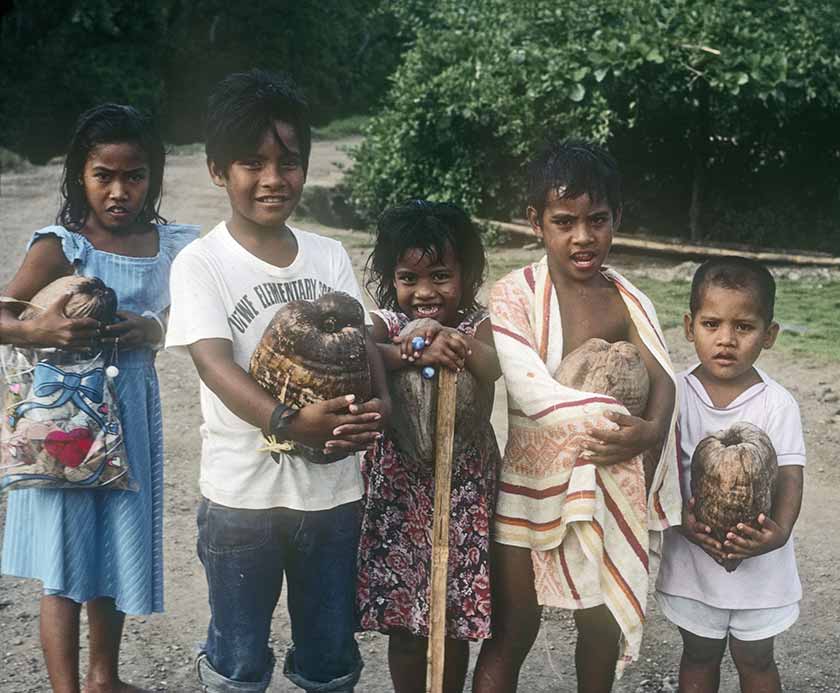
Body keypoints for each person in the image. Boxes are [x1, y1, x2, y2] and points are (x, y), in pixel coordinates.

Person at [165, 69, 387, 693]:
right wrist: (288, 423)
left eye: (288, 162)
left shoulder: (328, 256)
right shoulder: (202, 262)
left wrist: (381, 412)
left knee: (329, 657)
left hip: (332, 499)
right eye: (250, 162)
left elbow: (366, 350)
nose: (272, 178)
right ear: (217, 171)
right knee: (238, 661)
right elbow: (213, 363)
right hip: (242, 501)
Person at [0, 103, 198, 693]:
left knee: (113, 547)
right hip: (64, 420)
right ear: (78, 178)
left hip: (131, 417)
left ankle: (102, 678)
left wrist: (154, 330)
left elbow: (187, 319)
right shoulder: (61, 246)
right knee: (64, 562)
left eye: (133, 176)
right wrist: (37, 331)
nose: (118, 191)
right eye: (102, 176)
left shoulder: (170, 246)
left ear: (152, 177)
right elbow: (5, 312)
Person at [474, 141, 681, 692]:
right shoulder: (513, 294)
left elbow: (664, 380)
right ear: (535, 222)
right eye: (564, 222)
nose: (583, 237)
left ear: (618, 219)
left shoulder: (627, 300)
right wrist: (618, 424)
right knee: (514, 629)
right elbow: (529, 387)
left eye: (598, 220)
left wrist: (651, 431)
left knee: (600, 623)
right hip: (528, 483)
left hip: (603, 484)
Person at [356, 199, 502, 693]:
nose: (424, 292)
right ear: (391, 279)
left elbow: (494, 363)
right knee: (405, 618)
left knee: (452, 611)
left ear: (467, 274)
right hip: (399, 488)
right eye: (408, 278)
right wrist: (413, 348)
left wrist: (450, 339)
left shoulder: (480, 323)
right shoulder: (385, 324)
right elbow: (360, 350)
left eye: (440, 276)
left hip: (462, 488)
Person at [656, 257, 805, 693]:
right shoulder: (676, 393)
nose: (726, 339)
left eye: (743, 327)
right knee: (699, 653)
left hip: (760, 556)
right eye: (711, 324)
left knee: (756, 659)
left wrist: (778, 533)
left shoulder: (777, 404)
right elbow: (658, 467)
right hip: (693, 555)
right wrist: (678, 517)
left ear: (769, 334)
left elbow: (791, 475)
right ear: (689, 326)